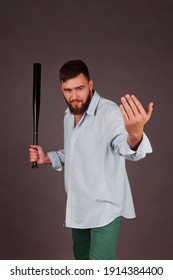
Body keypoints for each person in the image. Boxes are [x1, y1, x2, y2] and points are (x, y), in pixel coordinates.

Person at [29, 59, 153, 260]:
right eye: (68, 90)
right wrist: (48, 158)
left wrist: (135, 135)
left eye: (79, 88)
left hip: (104, 210)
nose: (74, 96)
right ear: (61, 89)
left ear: (90, 85)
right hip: (78, 208)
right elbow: (76, 153)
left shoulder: (109, 113)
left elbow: (124, 147)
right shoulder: (69, 116)